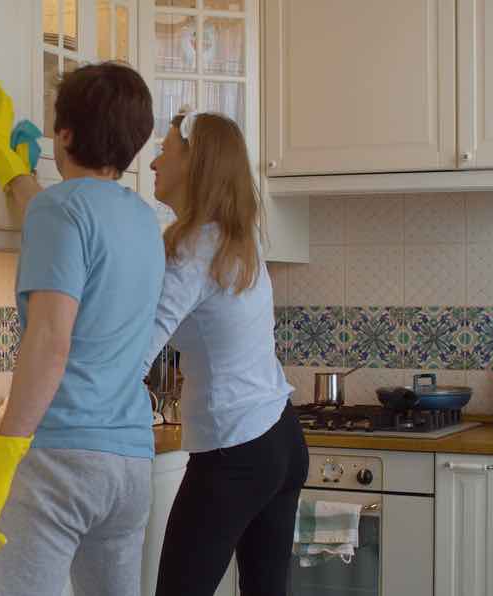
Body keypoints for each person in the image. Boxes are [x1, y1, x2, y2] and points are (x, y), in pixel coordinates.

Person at [0, 63, 163, 596]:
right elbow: (67, 221)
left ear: (65, 133)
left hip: (61, 462)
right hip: (129, 465)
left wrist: (6, 455)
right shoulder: (143, 220)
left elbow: (50, 341)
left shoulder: (60, 211)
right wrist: (13, 174)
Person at [144, 111, 309, 596]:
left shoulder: (192, 251)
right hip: (280, 438)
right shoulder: (237, 238)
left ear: (194, 165)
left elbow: (137, 351)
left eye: (166, 151)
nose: (153, 163)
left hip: (234, 450)